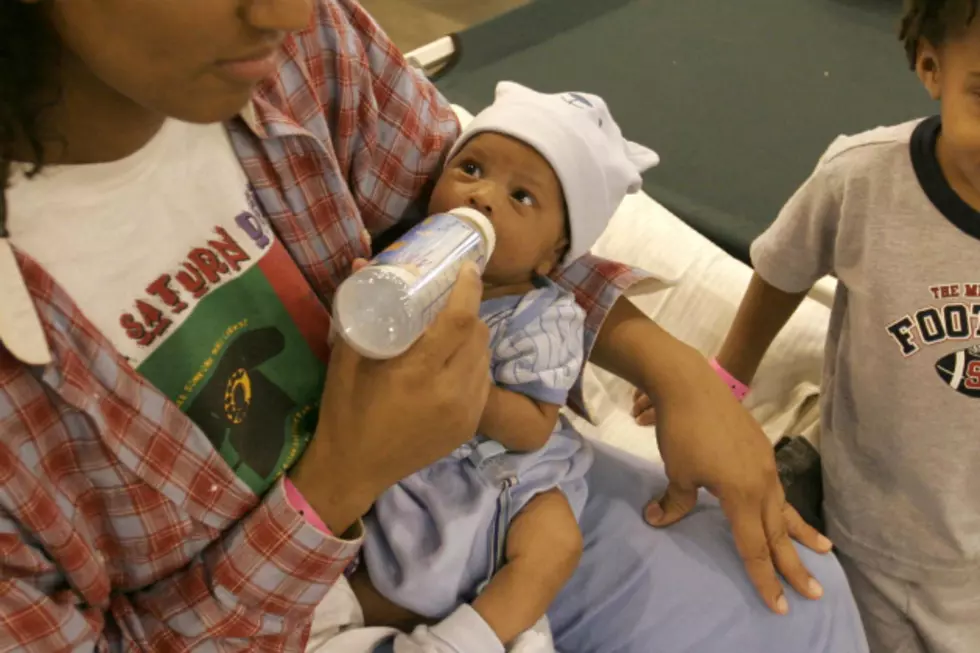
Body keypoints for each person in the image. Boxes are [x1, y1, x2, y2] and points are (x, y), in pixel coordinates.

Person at [0, 1, 866, 652]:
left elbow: (482, 218)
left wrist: (677, 371)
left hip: (478, 496)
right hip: (298, 604)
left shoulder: (306, 52)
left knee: (805, 596)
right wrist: (340, 477)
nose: (287, 13)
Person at [634, 1, 980, 650]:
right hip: (869, 535)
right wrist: (725, 376)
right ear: (931, 67)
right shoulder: (863, 179)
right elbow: (782, 269)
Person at [354, 82, 658, 652]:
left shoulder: (541, 317)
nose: (483, 197)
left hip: (511, 474)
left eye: (522, 197)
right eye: (470, 168)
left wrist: (471, 393)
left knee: (553, 547)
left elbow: (535, 426)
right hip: (417, 465)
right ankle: (347, 619)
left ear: (552, 254)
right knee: (389, 567)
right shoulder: (402, 270)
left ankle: (472, 638)